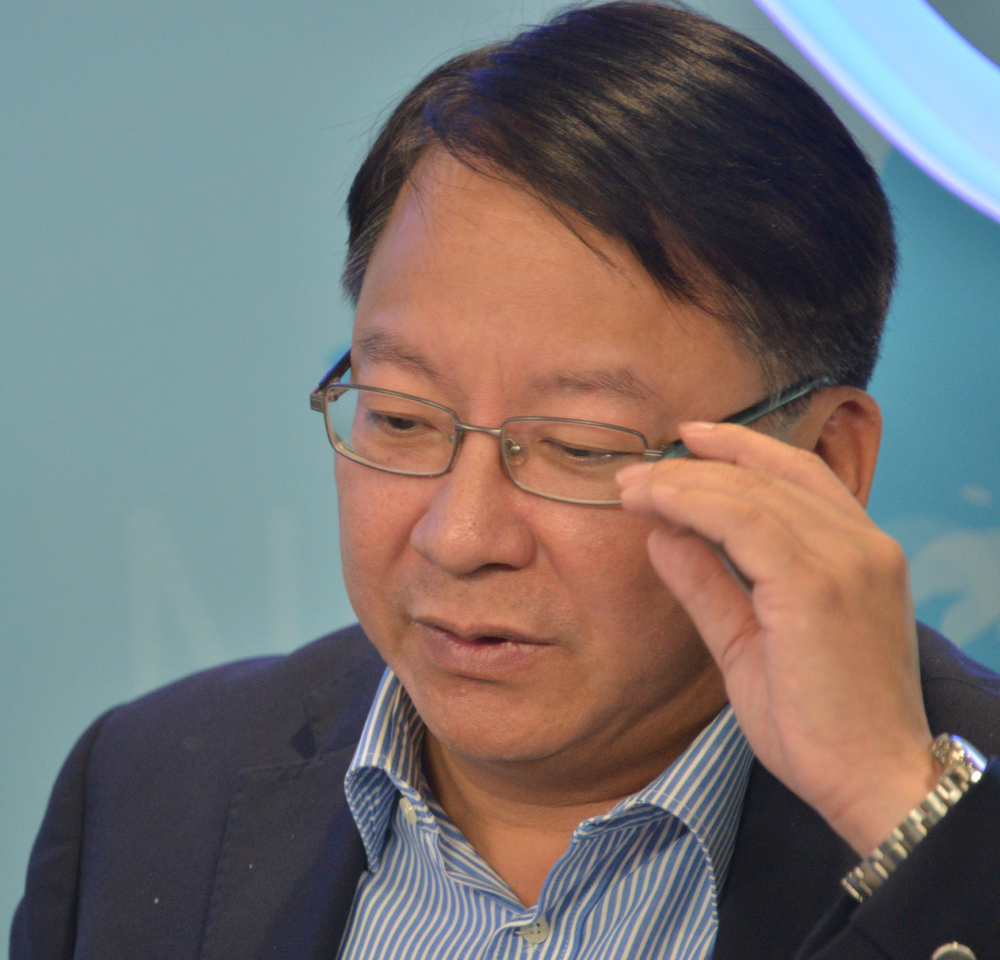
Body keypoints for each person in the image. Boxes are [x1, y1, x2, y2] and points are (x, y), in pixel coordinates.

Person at [12, 3, 1000, 958]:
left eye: (579, 445)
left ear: (821, 461)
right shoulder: (150, 789)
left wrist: (902, 814)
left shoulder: (957, 825)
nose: (459, 535)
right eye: (402, 419)